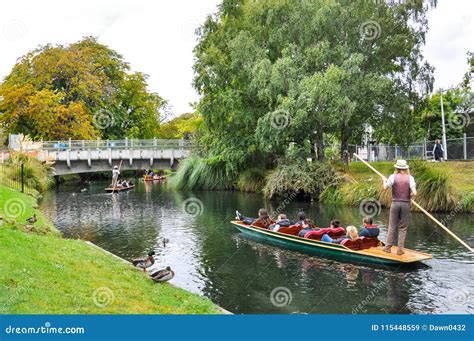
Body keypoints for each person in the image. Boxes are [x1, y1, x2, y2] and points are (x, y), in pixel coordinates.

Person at [381, 159, 417, 255]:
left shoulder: (392, 177)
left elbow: (385, 188)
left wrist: (384, 181)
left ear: (397, 168)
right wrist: (410, 195)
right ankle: (400, 249)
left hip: (395, 203)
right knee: (403, 228)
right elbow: (415, 193)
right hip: (406, 204)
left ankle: (388, 247)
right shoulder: (410, 178)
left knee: (392, 226)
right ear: (405, 168)